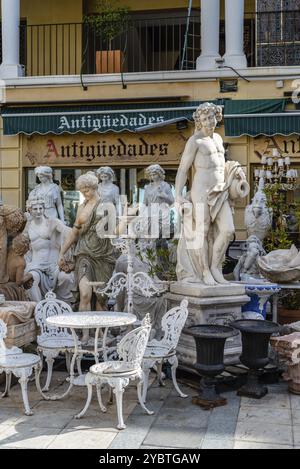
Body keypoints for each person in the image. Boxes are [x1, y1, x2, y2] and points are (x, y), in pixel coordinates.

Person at [175, 102, 249, 285]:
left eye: (212, 117)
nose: (210, 121)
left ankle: (215, 268)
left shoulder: (217, 138)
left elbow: (220, 166)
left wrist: (235, 170)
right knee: (203, 231)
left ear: (217, 117)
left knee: (228, 230)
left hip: (220, 191)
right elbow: (183, 170)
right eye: (205, 118)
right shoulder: (195, 141)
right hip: (201, 191)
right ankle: (204, 271)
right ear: (199, 121)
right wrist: (177, 194)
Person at [58, 172, 117, 344]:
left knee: (100, 298)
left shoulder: (107, 205)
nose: (84, 193)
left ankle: (98, 334)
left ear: (95, 187)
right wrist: (62, 252)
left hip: (103, 255)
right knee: (85, 294)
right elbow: (75, 232)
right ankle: (84, 333)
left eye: (87, 190)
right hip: (83, 252)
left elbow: (113, 232)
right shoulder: (82, 206)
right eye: (82, 190)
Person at [23, 197, 74, 303]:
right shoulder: (27, 227)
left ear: (44, 209)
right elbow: (23, 248)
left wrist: (63, 253)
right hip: (36, 265)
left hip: (54, 265)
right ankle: (39, 308)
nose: (38, 211)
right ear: (29, 210)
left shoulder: (53, 222)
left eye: (40, 208)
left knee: (66, 278)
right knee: (31, 280)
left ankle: (64, 307)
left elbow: (68, 233)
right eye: (35, 209)